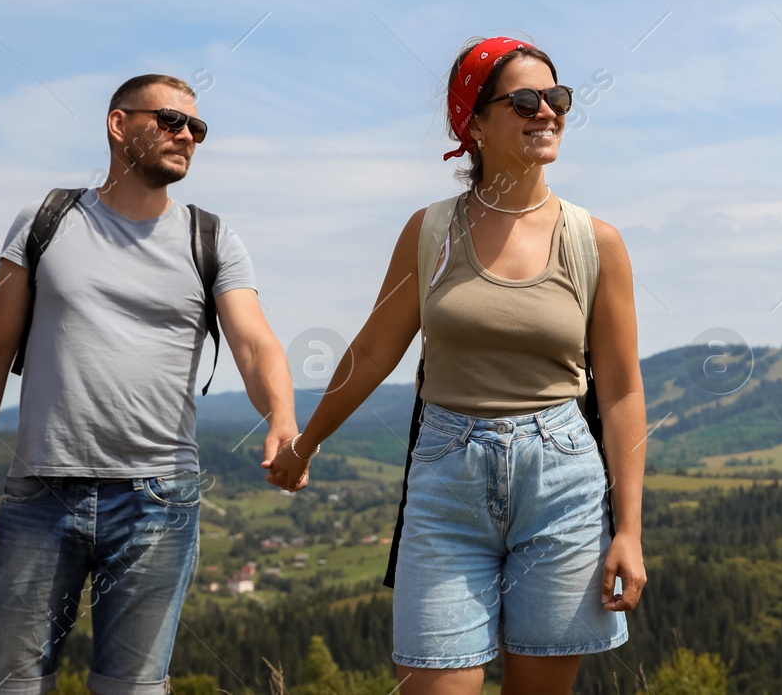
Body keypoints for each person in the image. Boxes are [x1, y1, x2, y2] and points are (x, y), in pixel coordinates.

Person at [266, 37, 648, 695]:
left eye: (557, 98)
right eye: (524, 100)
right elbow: (372, 351)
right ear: (472, 123)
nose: (546, 111)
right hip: (448, 479)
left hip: (564, 481)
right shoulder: (431, 232)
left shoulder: (595, 241)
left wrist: (631, 529)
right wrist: (305, 443)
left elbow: (619, 393)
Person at [0, 73, 298, 695]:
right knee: (9, 685)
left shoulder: (210, 238)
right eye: (170, 121)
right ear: (118, 125)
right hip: (40, 495)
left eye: (197, 128)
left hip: (157, 501)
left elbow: (255, 343)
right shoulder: (46, 220)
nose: (186, 136)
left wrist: (283, 420)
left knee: (131, 689)